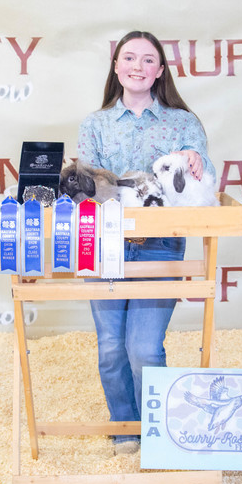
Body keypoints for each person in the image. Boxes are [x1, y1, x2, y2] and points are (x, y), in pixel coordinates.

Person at [76, 30, 216, 454]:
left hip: (160, 245)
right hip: (106, 246)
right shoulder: (95, 125)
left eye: (148, 60)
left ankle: (159, 431)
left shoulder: (183, 123)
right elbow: (86, 186)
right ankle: (125, 428)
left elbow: (202, 175)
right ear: (116, 67)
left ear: (159, 72)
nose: (138, 66)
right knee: (112, 348)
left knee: (144, 347)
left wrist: (196, 161)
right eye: (129, 58)